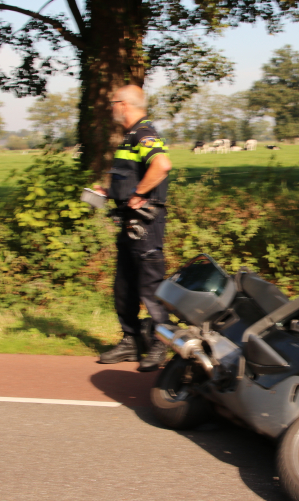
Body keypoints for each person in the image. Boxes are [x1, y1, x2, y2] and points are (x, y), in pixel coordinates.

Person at [96, 85, 172, 372]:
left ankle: (160, 343)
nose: (112, 108)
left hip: (146, 226)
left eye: (113, 103)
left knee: (150, 288)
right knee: (124, 286)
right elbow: (131, 177)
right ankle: (131, 341)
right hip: (128, 225)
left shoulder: (143, 134)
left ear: (124, 105)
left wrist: (139, 193)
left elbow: (162, 165)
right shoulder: (130, 138)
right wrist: (110, 191)